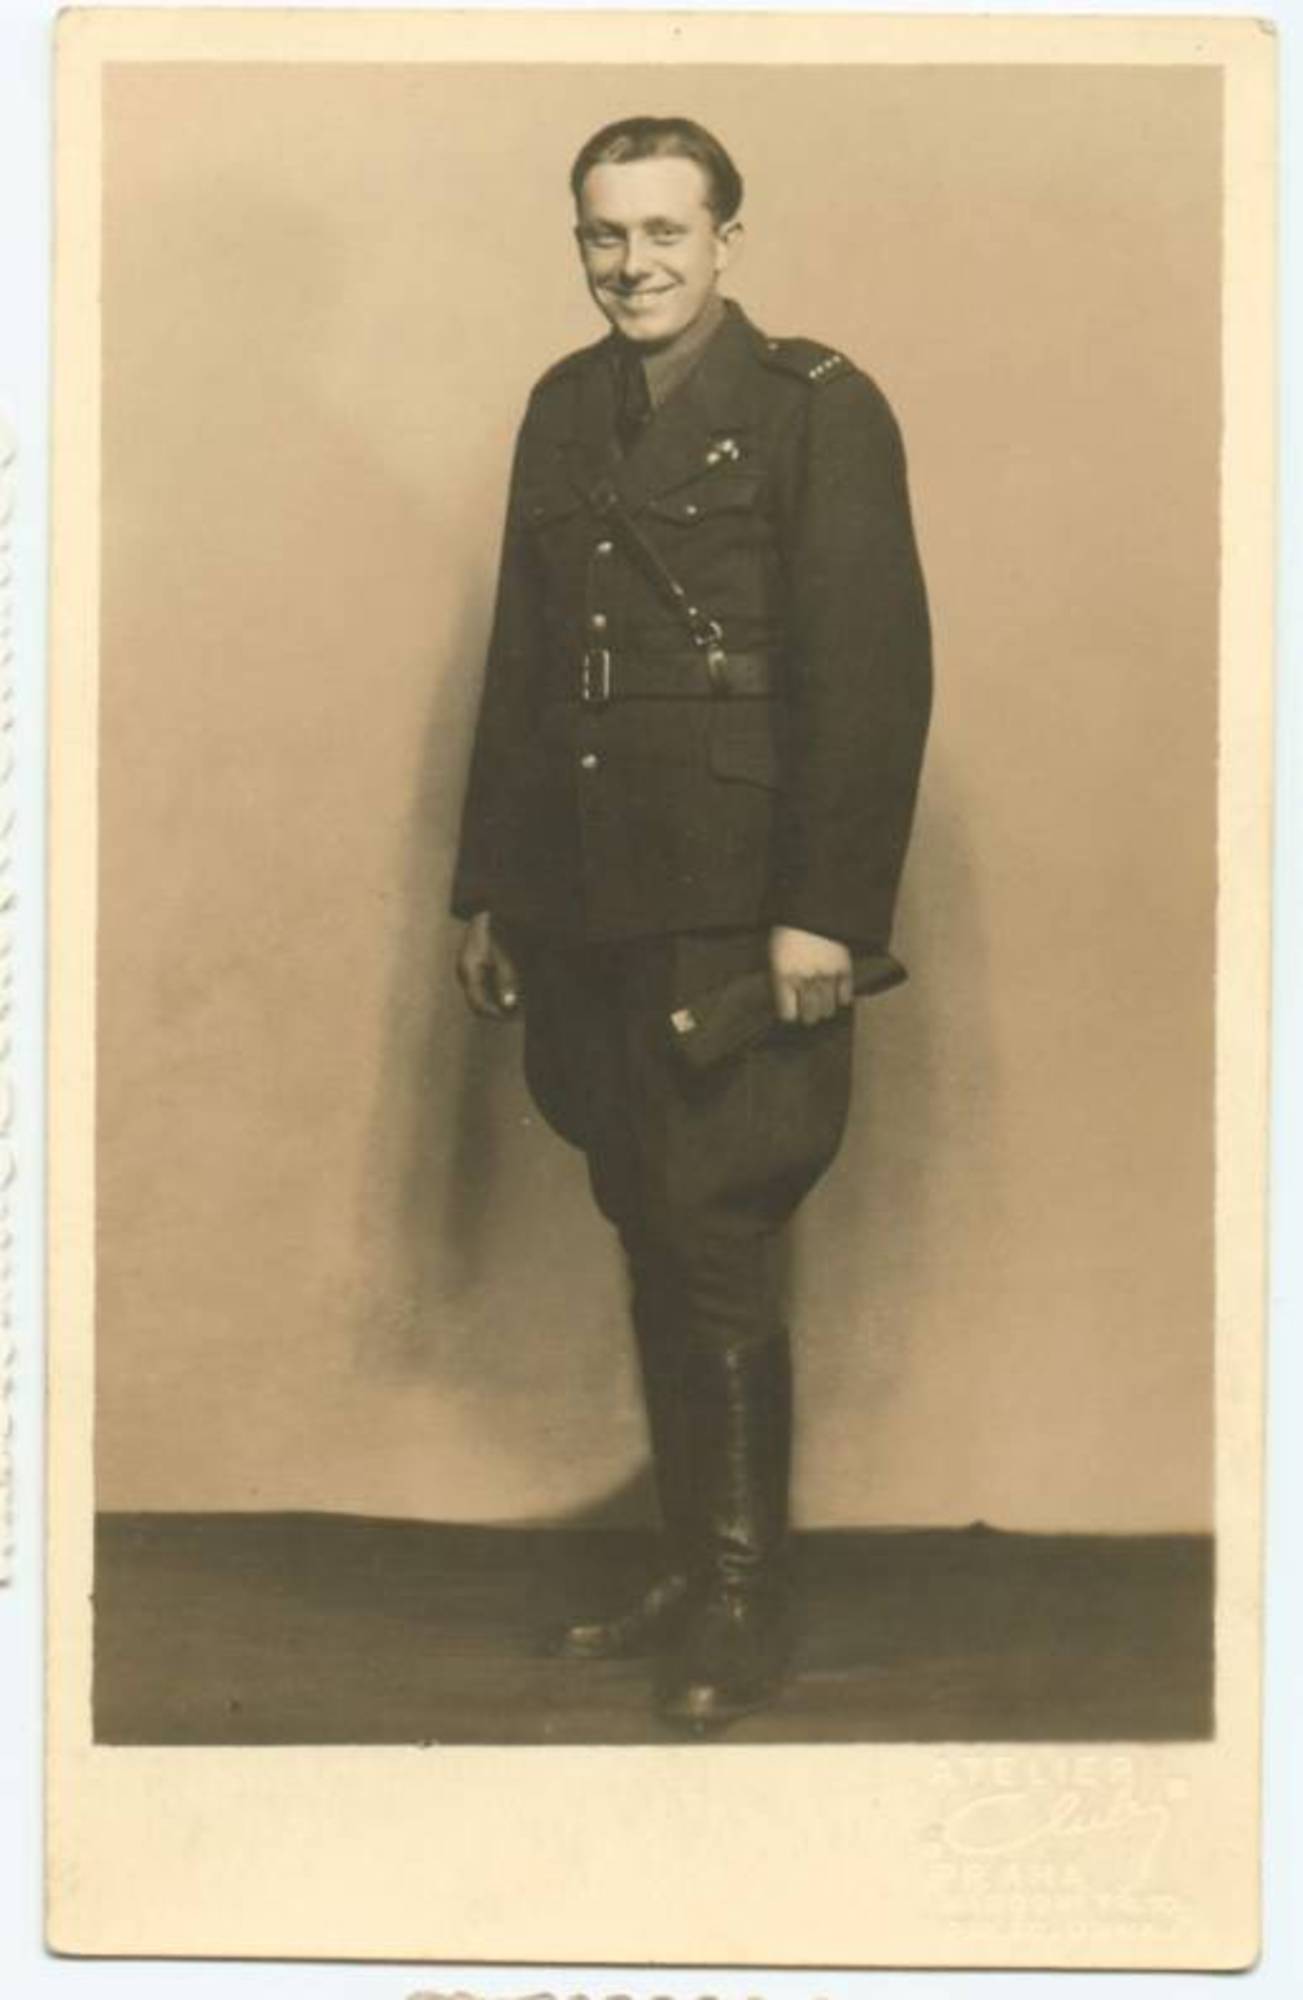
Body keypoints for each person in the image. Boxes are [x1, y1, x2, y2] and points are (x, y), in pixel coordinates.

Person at [451, 115, 931, 1730]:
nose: (633, 264)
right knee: (649, 1224)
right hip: (586, 897)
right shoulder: (563, 407)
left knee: (714, 1231)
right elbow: (526, 665)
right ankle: (691, 1560)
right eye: (606, 234)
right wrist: (489, 889)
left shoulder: (816, 410)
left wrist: (824, 914)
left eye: (665, 231)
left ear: (729, 238)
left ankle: (742, 1597)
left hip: (735, 904)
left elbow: (872, 673)